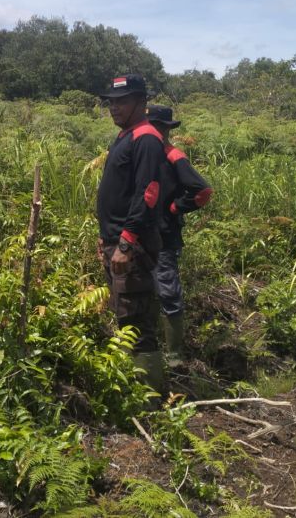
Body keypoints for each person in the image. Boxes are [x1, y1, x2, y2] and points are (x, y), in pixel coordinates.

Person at [96, 74, 166, 394]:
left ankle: (150, 397)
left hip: (131, 247)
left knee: (136, 320)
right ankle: (132, 386)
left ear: (141, 102)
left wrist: (125, 242)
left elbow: (147, 193)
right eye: (111, 102)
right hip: (116, 243)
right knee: (125, 316)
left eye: (121, 101)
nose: (114, 107)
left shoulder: (146, 138)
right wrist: (106, 236)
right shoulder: (126, 135)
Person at [146, 105, 213, 367]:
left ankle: (174, 358)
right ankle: (151, 350)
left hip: (165, 237)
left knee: (167, 292)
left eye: (156, 127)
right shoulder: (142, 155)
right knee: (145, 292)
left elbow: (202, 191)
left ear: (164, 129)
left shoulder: (173, 155)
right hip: (139, 236)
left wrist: (174, 208)